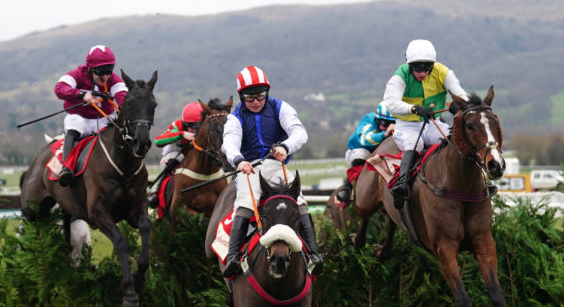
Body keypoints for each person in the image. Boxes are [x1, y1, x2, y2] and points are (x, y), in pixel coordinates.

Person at [221, 65, 322, 277]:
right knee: (246, 203)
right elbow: (229, 142)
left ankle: (314, 254)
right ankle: (233, 258)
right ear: (241, 97)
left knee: (300, 202)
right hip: (249, 169)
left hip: (276, 166)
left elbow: (299, 133)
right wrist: (239, 161)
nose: (256, 102)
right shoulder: (235, 117)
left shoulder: (279, 107)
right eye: (250, 98)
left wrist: (285, 147)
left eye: (260, 96)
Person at [382, 39, 468, 206]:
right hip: (407, 126)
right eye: (417, 68)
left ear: (432, 64)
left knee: (454, 141)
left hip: (432, 123)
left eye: (427, 67)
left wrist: (459, 106)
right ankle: (402, 185)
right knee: (415, 143)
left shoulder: (444, 72)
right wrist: (415, 109)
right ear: (408, 64)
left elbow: (461, 94)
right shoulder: (400, 75)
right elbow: (391, 102)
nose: (422, 73)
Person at [53, 45, 128, 186]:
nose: (105, 76)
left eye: (109, 71)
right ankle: (66, 168)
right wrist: (81, 94)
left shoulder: (114, 80)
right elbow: (59, 89)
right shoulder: (77, 74)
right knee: (76, 125)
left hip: (103, 119)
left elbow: (122, 96)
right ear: (90, 68)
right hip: (79, 117)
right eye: (101, 72)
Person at [147, 101, 206, 208]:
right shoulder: (177, 125)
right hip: (174, 156)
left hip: (194, 157)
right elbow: (158, 141)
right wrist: (181, 135)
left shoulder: (206, 127)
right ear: (185, 123)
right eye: (191, 126)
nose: (194, 129)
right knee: (175, 159)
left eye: (197, 125)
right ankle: (157, 193)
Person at [336, 102, 396, 203]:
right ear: (377, 120)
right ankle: (347, 188)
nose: (387, 127)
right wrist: (385, 134)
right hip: (360, 153)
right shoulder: (368, 120)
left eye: (391, 124)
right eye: (384, 124)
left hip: (381, 154)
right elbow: (364, 139)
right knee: (361, 154)